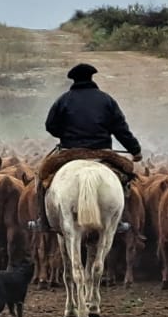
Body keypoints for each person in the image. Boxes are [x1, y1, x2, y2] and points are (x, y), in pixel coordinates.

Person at [27, 62, 143, 234]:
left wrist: (65, 134)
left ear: (73, 80)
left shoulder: (64, 100)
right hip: (102, 152)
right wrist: (135, 150)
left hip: (69, 152)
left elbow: (50, 126)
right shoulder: (106, 100)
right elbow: (120, 129)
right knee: (125, 176)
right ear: (91, 77)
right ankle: (118, 221)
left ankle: (42, 221)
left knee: (41, 176)